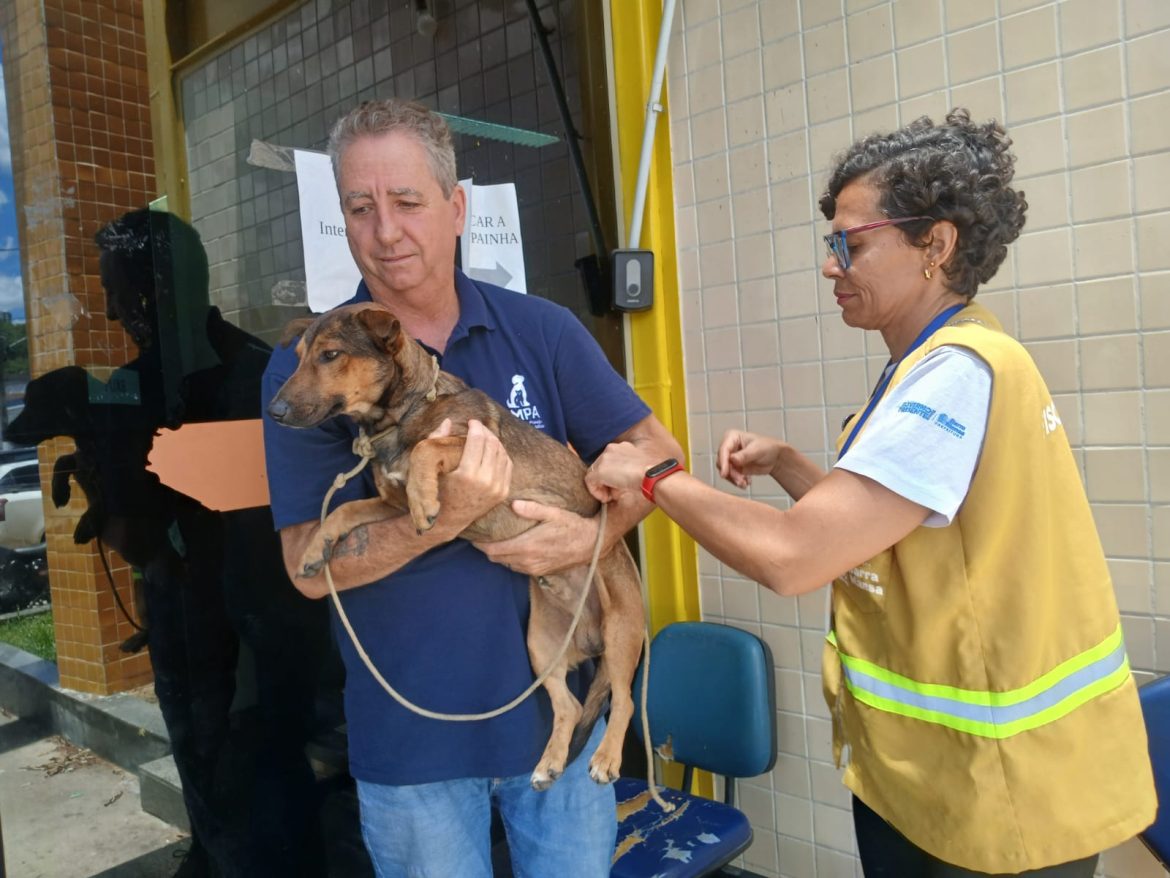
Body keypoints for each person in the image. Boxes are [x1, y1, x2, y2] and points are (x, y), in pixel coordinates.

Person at [585, 109, 1157, 878]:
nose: (832, 266)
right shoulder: (935, 365)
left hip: (998, 797)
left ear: (936, 244)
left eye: (850, 244)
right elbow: (901, 535)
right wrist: (790, 466)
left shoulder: (956, 375)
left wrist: (654, 477)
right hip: (939, 781)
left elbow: (794, 558)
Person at [260, 98, 681, 878]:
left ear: (457, 210)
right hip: (411, 748)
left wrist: (598, 534)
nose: (386, 231)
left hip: (562, 727)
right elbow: (306, 571)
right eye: (360, 207)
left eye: (408, 202)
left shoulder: (543, 330)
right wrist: (448, 514)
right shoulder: (318, 369)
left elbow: (659, 460)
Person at [92, 209, 332, 878]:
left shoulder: (139, 393)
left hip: (213, 634)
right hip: (286, 623)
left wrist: (98, 472)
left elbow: (133, 537)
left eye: (117, 291)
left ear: (154, 291)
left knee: (219, 773)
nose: (112, 312)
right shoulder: (267, 371)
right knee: (279, 768)